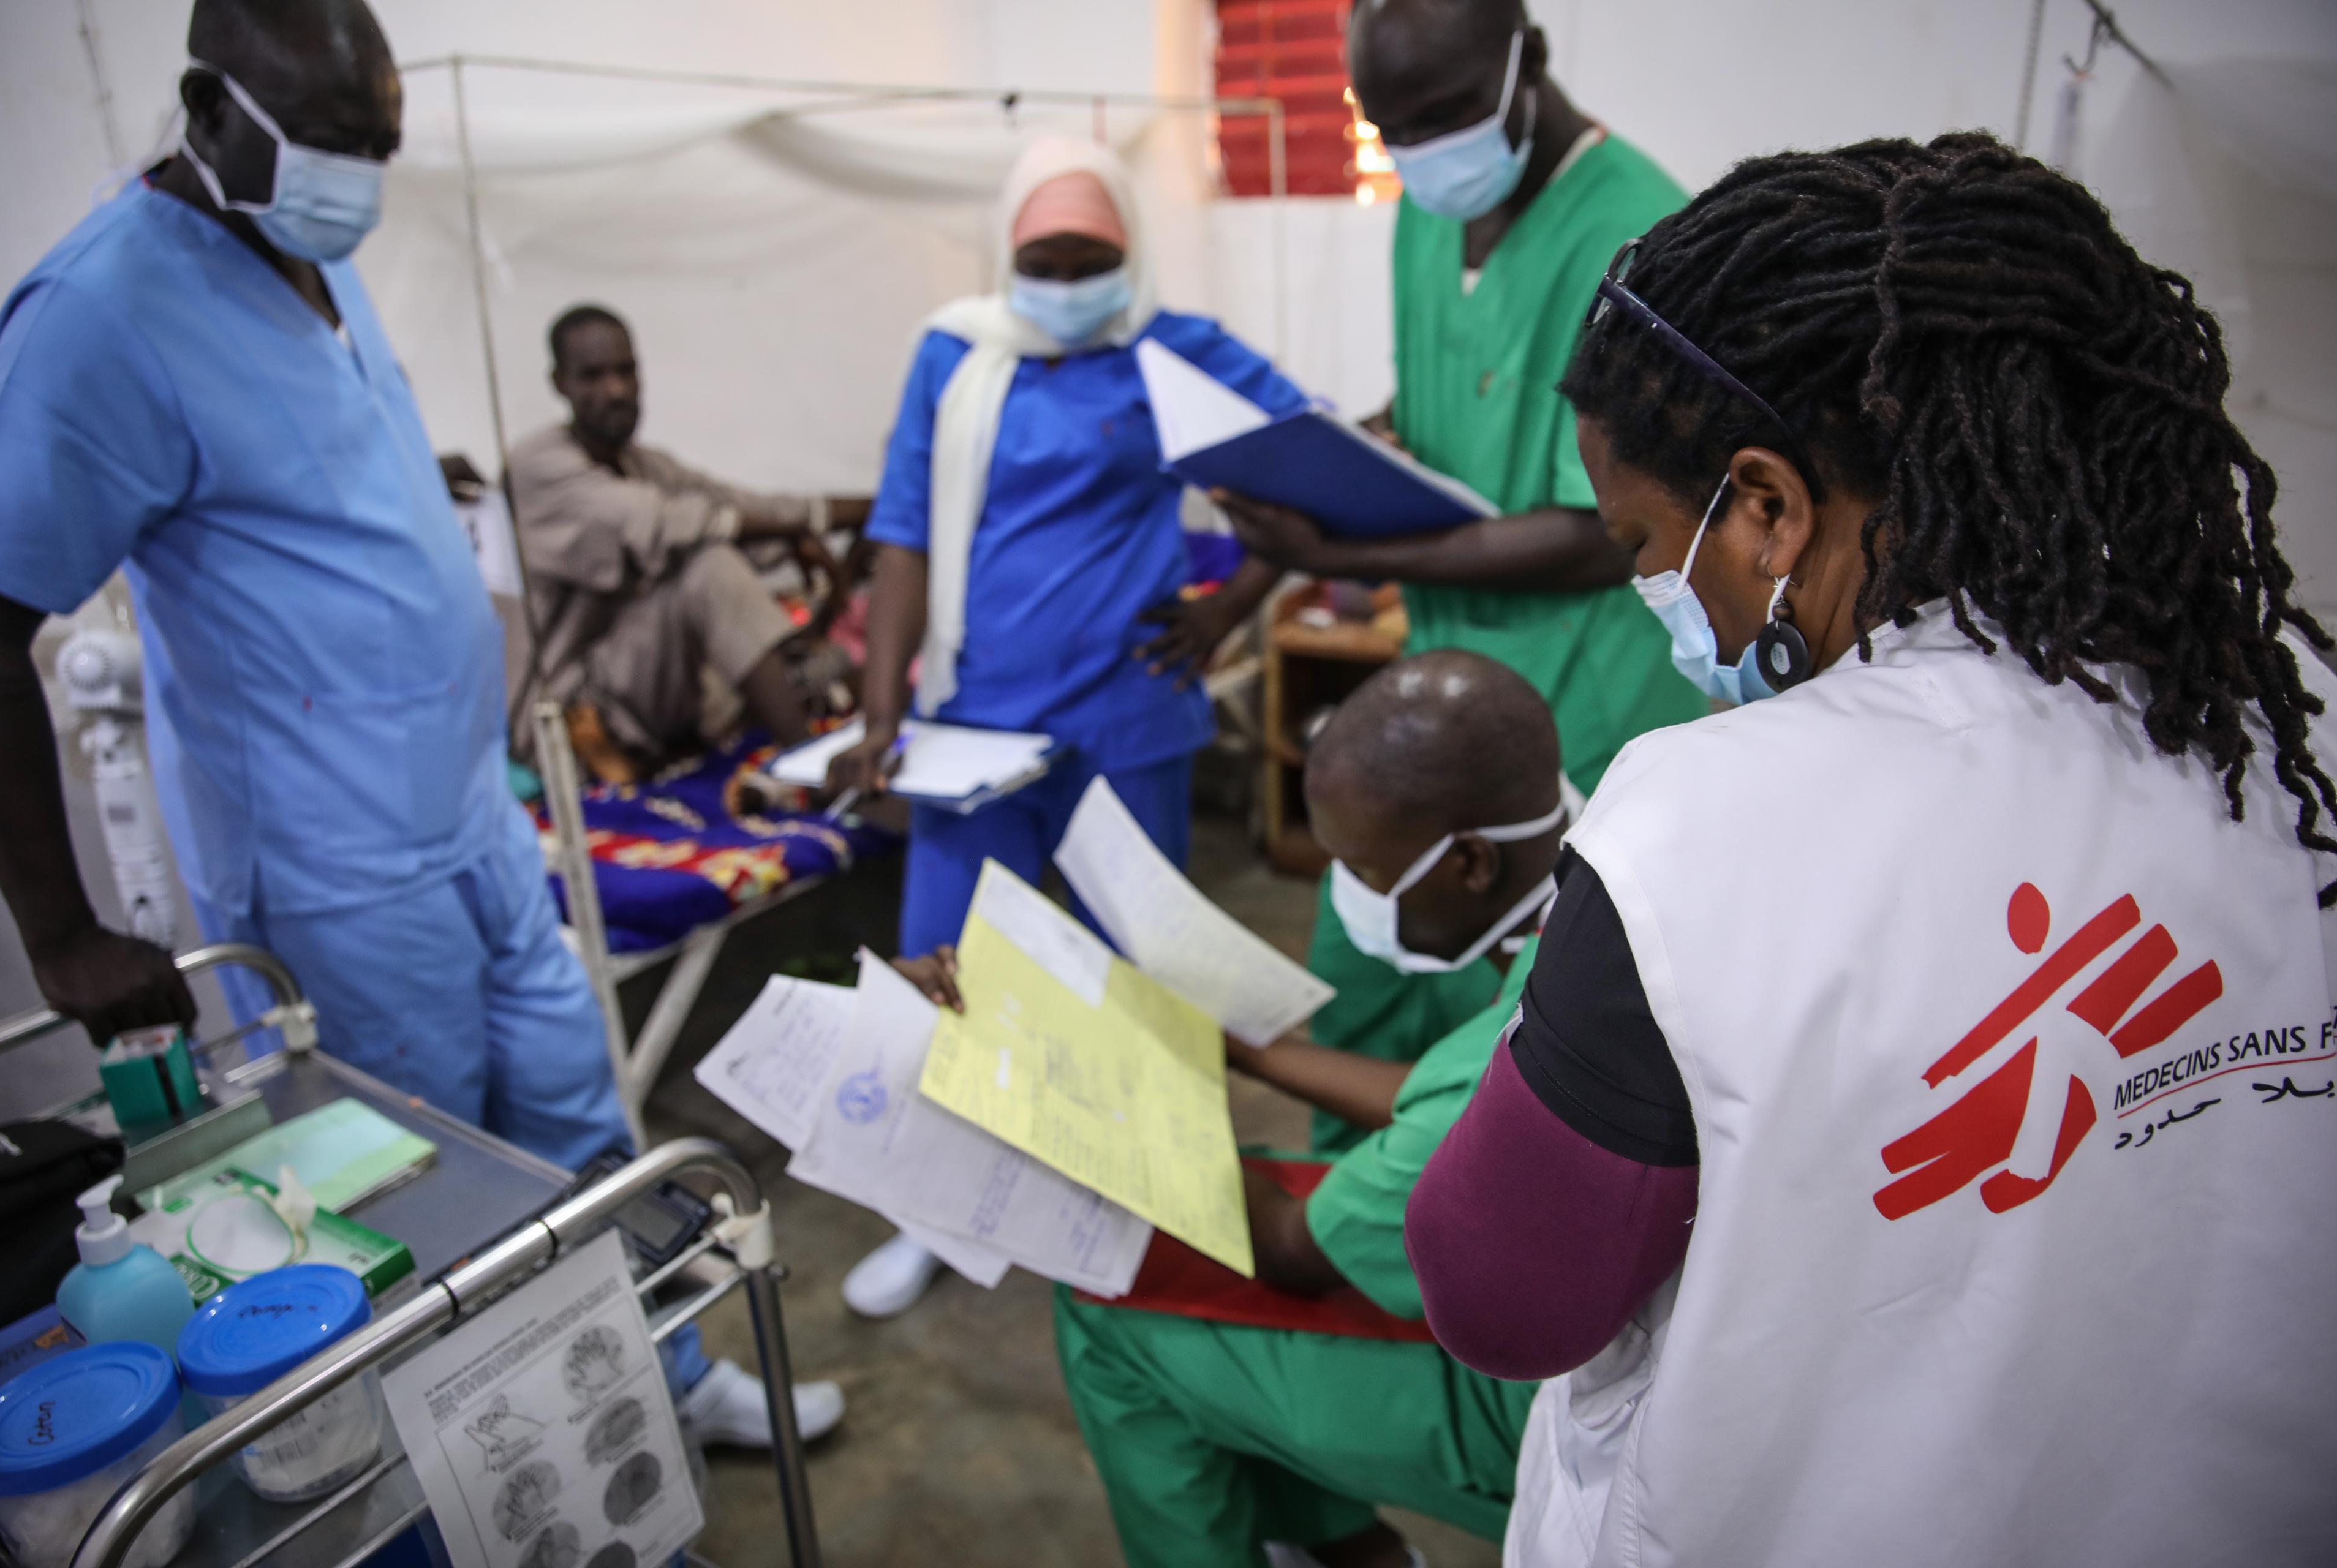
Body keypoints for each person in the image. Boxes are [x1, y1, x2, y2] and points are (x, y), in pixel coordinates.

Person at [1405, 134, 2337, 1566]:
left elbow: (1499, 1292)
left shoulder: (1697, 833)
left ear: (1767, 505)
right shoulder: (2293, 721)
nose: (1658, 591)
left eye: (1648, 544)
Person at [0, 0, 836, 1452]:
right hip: (336, 867)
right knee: (427, 1189)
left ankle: (668, 1390)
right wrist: (64, 932)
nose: (360, 180)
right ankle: (522, 1478)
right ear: (209, 111)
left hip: (471, 817)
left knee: (580, 1124)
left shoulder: (307, 253)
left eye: (379, 147)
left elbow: (288, 469)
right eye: (332, 145)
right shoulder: (101, 315)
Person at [897, 649, 1567, 1568]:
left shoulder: (1524, 1060)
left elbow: (1295, 1252)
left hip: (1538, 1419)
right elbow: (1441, 1098)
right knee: (1255, 1180)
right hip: (1601, 1335)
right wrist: (1246, 1048)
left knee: (1112, 1299)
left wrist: (1075, 1097)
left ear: (1472, 864)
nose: (1350, 898)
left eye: (1364, 872)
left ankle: (1323, 1541)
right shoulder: (1586, 925)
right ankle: (1344, 1549)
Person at [828, 135, 1309, 1318]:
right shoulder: (957, 353)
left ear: (1131, 250)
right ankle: (931, 1212)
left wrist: (1227, 614)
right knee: (938, 970)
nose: (1066, 274)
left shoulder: (1169, 350)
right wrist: (882, 709)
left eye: (1091, 253)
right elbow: (904, 531)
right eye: (1044, 255)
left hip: (1126, 720)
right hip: (973, 729)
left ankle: (1128, 1200)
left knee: (1133, 982)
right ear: (1007, 253)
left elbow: (1311, 461)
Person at [1215, 0, 1707, 1155]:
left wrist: (1339, 557)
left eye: (1439, 116)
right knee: (1368, 958)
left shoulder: (1638, 234)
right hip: (1439, 690)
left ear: (1524, 63)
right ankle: (1351, 1229)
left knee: (1517, 1037)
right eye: (1386, 127)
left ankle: (1440, 1259)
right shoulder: (1430, 214)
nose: (1417, 152)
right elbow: (1438, 414)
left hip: (1574, 707)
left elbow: (1599, 533)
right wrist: (1293, 504)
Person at [506, 305, 867, 780]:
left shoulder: (644, 465)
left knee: (761, 596)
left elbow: (742, 506)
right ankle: (811, 766)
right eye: (592, 376)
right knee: (710, 568)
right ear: (560, 383)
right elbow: (667, 522)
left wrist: (861, 514)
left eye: (625, 371)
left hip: (640, 688)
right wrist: (797, 528)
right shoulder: (536, 466)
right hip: (569, 709)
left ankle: (810, 720)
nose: (614, 391)